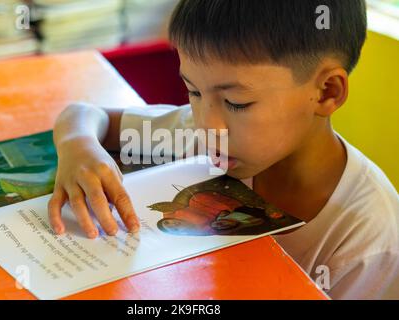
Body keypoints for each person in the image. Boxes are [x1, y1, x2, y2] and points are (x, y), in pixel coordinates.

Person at [48, 0, 398, 299]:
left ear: (326, 92)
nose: (206, 124)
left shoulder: (370, 241)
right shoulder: (198, 136)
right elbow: (84, 115)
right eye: (194, 92)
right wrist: (78, 147)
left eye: (237, 103)